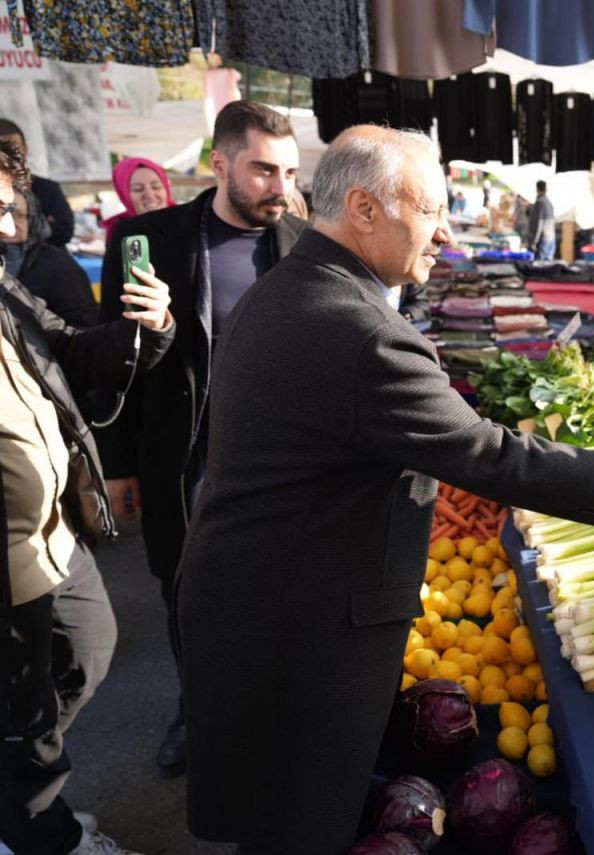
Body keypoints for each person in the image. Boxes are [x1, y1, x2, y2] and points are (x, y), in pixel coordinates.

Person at [176, 125, 594, 853]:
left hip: (256, 601)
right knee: (298, 825)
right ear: (364, 209)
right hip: (299, 630)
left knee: (272, 814)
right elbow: (481, 451)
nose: (446, 232)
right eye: (432, 209)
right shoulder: (360, 329)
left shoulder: (287, 287)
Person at [92, 100, 307, 777]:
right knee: (185, 593)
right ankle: (196, 709)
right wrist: (119, 464)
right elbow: (115, 363)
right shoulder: (148, 239)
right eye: (264, 170)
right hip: (183, 457)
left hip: (279, 463)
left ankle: (267, 709)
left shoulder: (303, 240)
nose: (280, 186)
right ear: (219, 164)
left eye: (289, 171)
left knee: (274, 590)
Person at [0, 138, 175, 855]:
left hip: (52, 530)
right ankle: (43, 831)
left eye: (9, 209)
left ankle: (21, 789)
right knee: (27, 708)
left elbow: (71, 346)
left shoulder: (4, 282)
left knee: (90, 647)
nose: (12, 228)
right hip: (8, 556)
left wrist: (149, 325)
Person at [2, 190, 98, 328]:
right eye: (1, 212)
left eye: (19, 215)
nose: (9, 224)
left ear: (32, 219)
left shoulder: (58, 265)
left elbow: (82, 327)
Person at [0, 120, 75, 248]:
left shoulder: (48, 189)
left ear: (25, 150)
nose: (10, 231)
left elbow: (64, 231)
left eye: (21, 216)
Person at [100, 157, 175, 243]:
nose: (150, 195)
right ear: (124, 195)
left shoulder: (187, 223)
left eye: (156, 187)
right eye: (138, 189)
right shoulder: (121, 232)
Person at [527, 179, 556, 260]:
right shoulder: (549, 202)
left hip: (542, 240)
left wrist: (534, 241)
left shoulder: (539, 203)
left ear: (537, 189)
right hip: (551, 238)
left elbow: (539, 223)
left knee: (539, 267)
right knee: (548, 267)